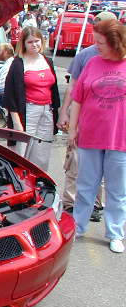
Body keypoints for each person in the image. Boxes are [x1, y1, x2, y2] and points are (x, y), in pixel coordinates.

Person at [68, 18, 126, 253]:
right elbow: (78, 98)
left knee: (117, 190)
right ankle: (78, 226)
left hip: (120, 138)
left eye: (100, 43)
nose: (96, 46)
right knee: (85, 186)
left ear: (115, 42)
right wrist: (72, 128)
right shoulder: (92, 62)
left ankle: (115, 233)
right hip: (90, 135)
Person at [57, 11, 118, 220]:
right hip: (85, 120)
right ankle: (71, 204)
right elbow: (73, 88)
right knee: (76, 164)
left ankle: (95, 205)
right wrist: (64, 112)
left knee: (104, 170)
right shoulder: (86, 56)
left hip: (112, 126)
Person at [4, 26, 60, 171]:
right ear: (23, 43)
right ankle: (20, 179)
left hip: (47, 110)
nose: (34, 44)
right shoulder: (18, 63)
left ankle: (38, 179)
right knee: (22, 149)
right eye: (30, 42)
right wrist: (17, 122)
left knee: (42, 149)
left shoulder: (47, 61)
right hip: (27, 111)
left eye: (37, 41)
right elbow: (10, 94)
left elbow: (54, 91)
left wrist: (58, 115)